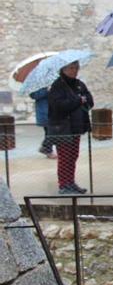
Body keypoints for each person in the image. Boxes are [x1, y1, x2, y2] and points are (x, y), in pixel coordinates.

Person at [47, 61, 94, 195]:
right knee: (65, 157)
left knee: (73, 156)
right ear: (64, 69)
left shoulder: (79, 84)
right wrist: (78, 101)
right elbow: (59, 106)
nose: (75, 71)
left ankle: (71, 182)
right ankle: (64, 184)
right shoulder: (57, 86)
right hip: (62, 128)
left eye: (76, 68)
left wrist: (83, 100)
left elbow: (89, 99)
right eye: (72, 68)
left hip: (76, 126)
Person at [29, 87, 55, 158]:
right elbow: (34, 95)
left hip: (53, 111)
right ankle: (46, 148)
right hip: (45, 112)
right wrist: (46, 90)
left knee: (49, 132)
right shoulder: (37, 85)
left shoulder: (51, 83)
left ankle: (48, 150)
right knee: (52, 131)